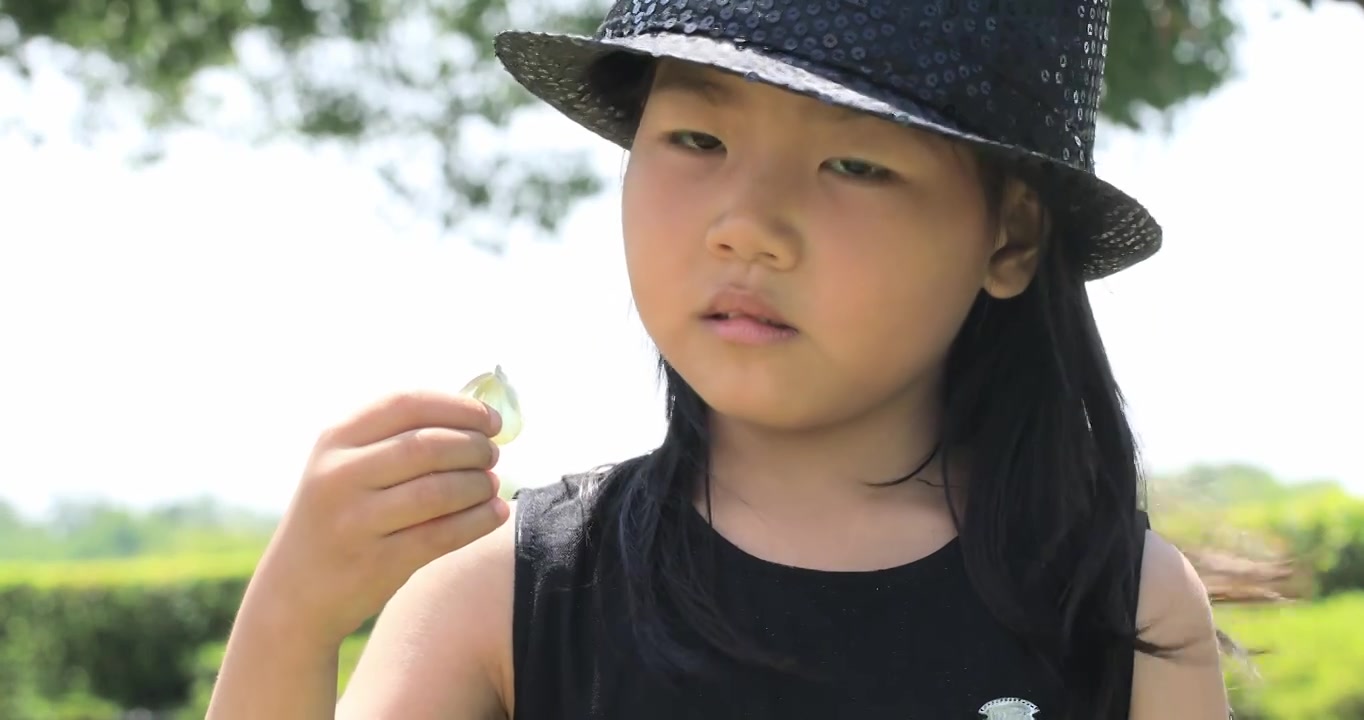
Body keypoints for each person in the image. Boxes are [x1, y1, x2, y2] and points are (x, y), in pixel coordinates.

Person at [207, 1, 1234, 718]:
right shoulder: (504, 600)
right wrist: (292, 618)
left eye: (854, 162)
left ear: (1009, 238)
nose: (747, 226)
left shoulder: (1119, 604)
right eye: (697, 139)